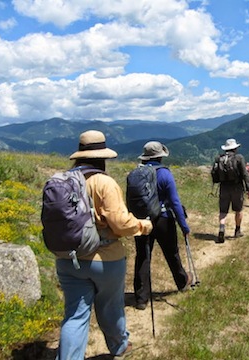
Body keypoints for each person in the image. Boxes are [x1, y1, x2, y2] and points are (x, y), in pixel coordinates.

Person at [55, 130, 153, 359]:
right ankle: (119, 346)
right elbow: (120, 223)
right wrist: (142, 226)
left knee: (75, 316)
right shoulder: (103, 182)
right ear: (102, 157)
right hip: (105, 258)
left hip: (68, 258)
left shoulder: (63, 179)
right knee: (110, 306)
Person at [133, 141, 192, 310]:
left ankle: (141, 298)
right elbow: (174, 202)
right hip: (163, 219)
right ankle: (182, 282)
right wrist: (184, 226)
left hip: (142, 221)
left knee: (143, 256)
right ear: (160, 157)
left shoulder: (137, 173)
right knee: (172, 253)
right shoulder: (165, 174)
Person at [216, 138, 249, 243]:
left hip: (224, 187)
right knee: (238, 210)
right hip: (237, 187)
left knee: (223, 211)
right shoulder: (239, 158)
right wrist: (248, 188)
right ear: (235, 148)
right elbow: (245, 174)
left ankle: (222, 228)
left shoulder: (219, 158)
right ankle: (237, 230)